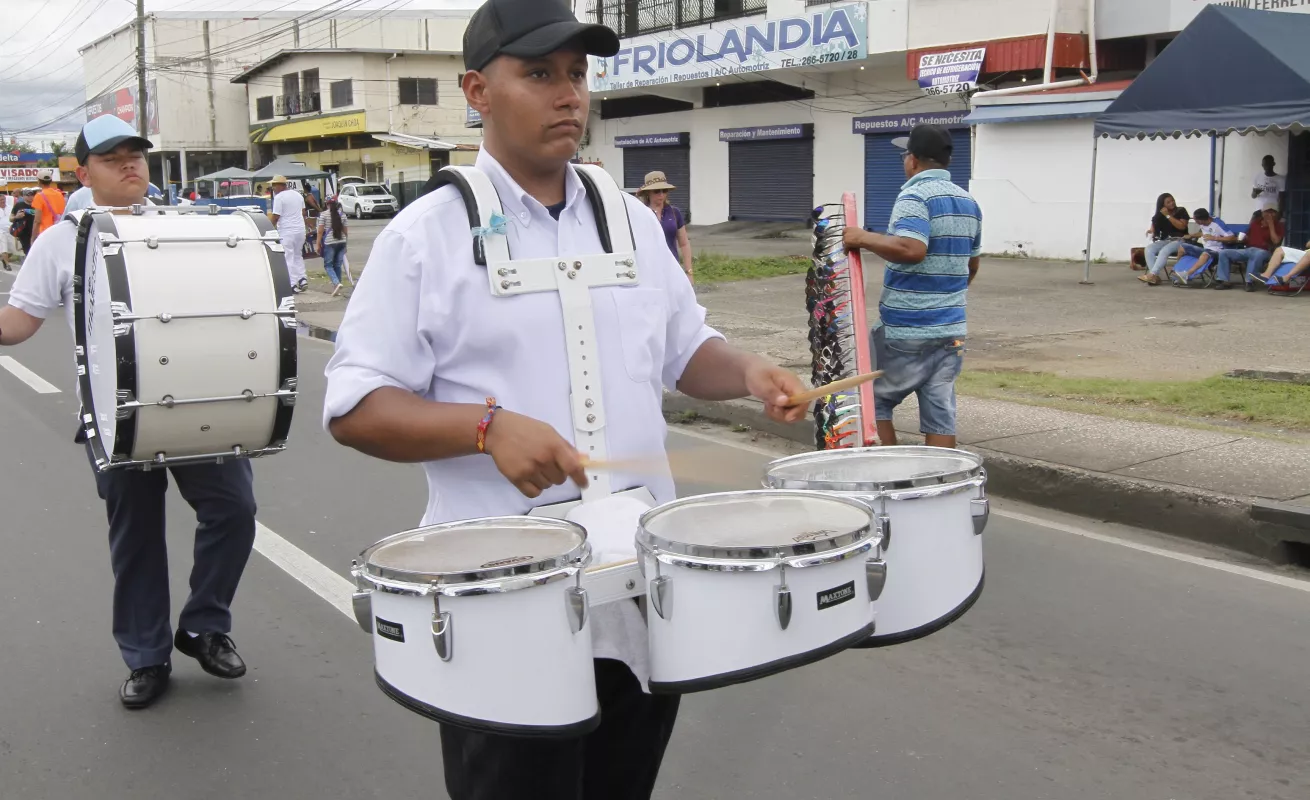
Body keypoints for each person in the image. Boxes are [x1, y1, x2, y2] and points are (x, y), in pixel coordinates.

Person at [322, 2, 805, 798]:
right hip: (502, 604)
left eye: (577, 74)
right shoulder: (426, 237)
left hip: (639, 597)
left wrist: (749, 370)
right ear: (477, 90)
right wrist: (485, 428)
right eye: (540, 73)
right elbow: (355, 408)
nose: (568, 94)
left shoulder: (631, 223)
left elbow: (687, 352)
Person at [0, 115, 256, 710]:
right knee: (136, 538)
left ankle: (202, 626)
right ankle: (146, 658)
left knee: (235, 510)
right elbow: (19, 322)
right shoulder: (61, 240)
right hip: (115, 420)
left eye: (137, 154)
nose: (131, 164)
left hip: (197, 403)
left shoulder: (185, 225)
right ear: (83, 171)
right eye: (114, 157)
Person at [843, 124, 981, 450]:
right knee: (940, 413)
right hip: (951, 329)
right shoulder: (969, 203)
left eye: (905, 154)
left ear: (913, 160)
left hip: (908, 329)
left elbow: (911, 248)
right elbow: (971, 267)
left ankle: (891, 483)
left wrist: (862, 237)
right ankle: (939, 487)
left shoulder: (914, 195)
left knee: (872, 401)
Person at [636, 171, 693, 281]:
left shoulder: (674, 212)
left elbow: (684, 244)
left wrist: (689, 272)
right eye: (657, 191)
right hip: (648, 272)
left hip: (672, 269)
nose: (661, 194)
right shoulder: (641, 213)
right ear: (648, 193)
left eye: (664, 191)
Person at [1219, 208, 1284, 291]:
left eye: (1272, 212)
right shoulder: (1255, 223)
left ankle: (1249, 282)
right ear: (1262, 213)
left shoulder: (1278, 225)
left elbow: (1276, 242)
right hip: (1248, 249)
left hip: (1265, 251)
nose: (1269, 214)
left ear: (1276, 214)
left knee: (1257, 254)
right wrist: (1243, 238)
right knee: (1224, 252)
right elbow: (1247, 237)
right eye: (1267, 212)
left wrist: (1271, 225)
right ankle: (1224, 281)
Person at [1138, 193, 1191, 286]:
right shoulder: (1160, 214)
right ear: (1163, 205)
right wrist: (1151, 230)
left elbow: (1182, 227)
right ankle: (1155, 277)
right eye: (1168, 202)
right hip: (1166, 240)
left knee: (1164, 250)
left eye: (1172, 200)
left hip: (1180, 240)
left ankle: (1152, 274)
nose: (1172, 203)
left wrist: (1168, 216)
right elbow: (1154, 222)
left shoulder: (1181, 211)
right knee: (1149, 249)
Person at [1174, 208, 1236, 287]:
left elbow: (1232, 237)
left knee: (1205, 254)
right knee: (1182, 247)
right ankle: (1176, 271)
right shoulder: (1202, 224)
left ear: (1201, 220)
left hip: (1217, 251)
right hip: (1205, 248)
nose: (1196, 222)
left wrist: (1214, 238)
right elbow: (1202, 233)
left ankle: (1186, 275)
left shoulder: (1217, 224)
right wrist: (1191, 235)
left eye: (1196, 220)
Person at [269, 175, 308, 293]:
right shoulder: (297, 195)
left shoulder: (279, 198)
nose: (273, 188)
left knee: (288, 257)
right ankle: (302, 278)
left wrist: (270, 227)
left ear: (281, 185)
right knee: (297, 255)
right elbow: (303, 212)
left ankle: (292, 284)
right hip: (300, 230)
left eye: (274, 185)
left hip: (287, 231)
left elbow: (276, 216)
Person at [317, 195, 348, 297]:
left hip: (330, 242)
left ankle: (336, 283)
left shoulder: (324, 215)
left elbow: (320, 231)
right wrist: (346, 244)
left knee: (328, 265)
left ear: (326, 204)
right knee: (337, 265)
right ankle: (337, 288)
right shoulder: (342, 215)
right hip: (341, 241)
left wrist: (318, 244)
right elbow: (345, 231)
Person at [30, 169, 66, 242]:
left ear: (39, 181)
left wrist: (33, 238)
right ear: (51, 181)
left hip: (45, 233)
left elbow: (37, 220)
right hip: (59, 230)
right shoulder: (59, 194)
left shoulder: (39, 196)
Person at [9, 188, 35, 257]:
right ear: (23, 196)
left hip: (35, 230)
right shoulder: (18, 205)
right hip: (23, 232)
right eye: (28, 195)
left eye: (32, 195)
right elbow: (10, 218)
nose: (30, 197)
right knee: (28, 251)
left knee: (35, 250)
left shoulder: (36, 204)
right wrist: (16, 217)